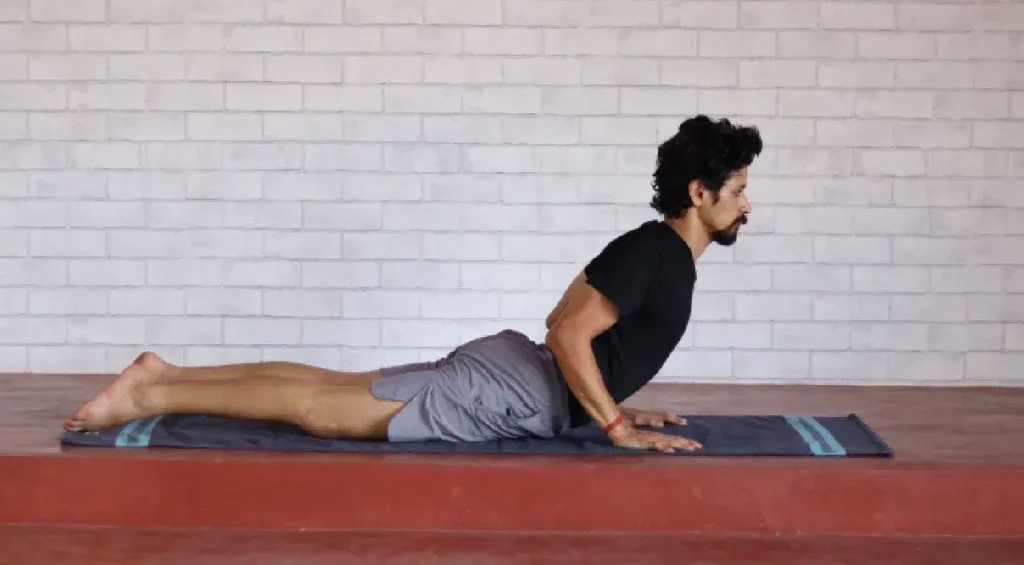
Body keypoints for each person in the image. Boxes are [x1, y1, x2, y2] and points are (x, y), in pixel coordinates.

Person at [62, 114, 761, 454]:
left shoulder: (655, 252)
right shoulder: (660, 253)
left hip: (518, 375)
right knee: (321, 409)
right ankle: (145, 393)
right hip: (516, 388)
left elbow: (572, 322)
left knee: (329, 389)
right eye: (738, 189)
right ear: (700, 193)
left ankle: (162, 377)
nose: (747, 204)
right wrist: (612, 425)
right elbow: (568, 329)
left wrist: (618, 405)